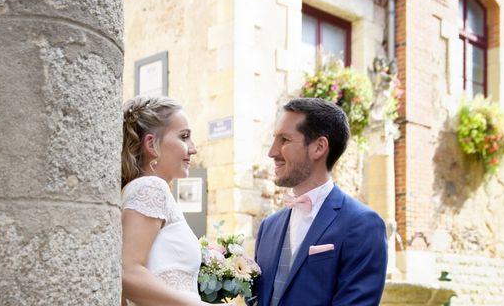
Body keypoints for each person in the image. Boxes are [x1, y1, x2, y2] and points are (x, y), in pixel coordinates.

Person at [252, 97, 388, 306]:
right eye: (274, 139)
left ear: (318, 147)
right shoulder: (268, 228)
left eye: (285, 140)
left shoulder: (363, 224)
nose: (272, 152)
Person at [120, 96, 233, 306]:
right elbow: (127, 272)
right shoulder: (151, 187)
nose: (193, 148)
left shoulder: (139, 189)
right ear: (151, 144)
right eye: (184, 136)